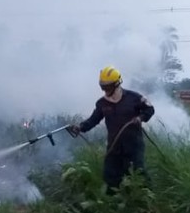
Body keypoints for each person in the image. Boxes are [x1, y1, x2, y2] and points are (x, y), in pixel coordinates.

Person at [67, 65, 156, 193]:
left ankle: (148, 198)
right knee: (110, 176)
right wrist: (80, 127)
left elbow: (150, 109)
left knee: (138, 173)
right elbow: (93, 119)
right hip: (114, 146)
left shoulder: (134, 98)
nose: (105, 90)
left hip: (134, 145)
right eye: (102, 87)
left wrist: (140, 118)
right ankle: (113, 201)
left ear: (117, 84)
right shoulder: (102, 103)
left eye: (107, 87)